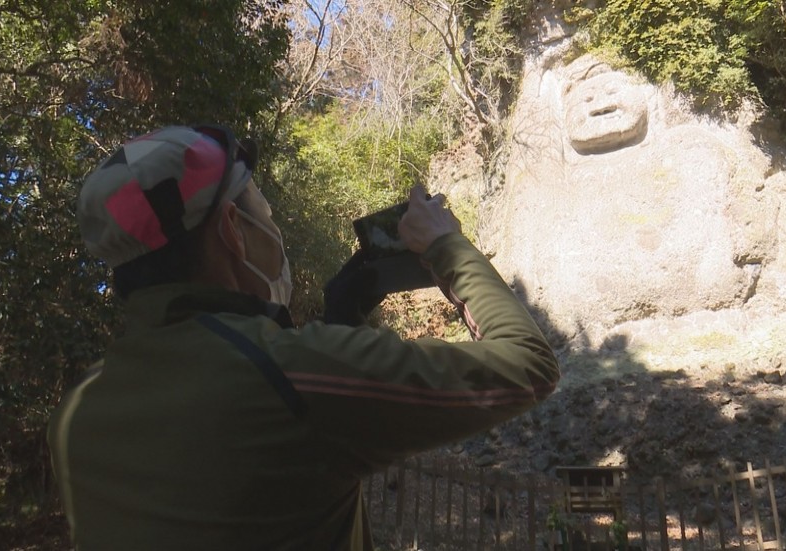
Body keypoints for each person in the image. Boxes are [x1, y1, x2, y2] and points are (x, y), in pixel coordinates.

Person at [48, 125, 560, 550]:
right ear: (232, 228)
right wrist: (446, 244)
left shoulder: (76, 413)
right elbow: (527, 364)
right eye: (263, 212)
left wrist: (342, 321)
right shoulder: (287, 374)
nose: (272, 227)